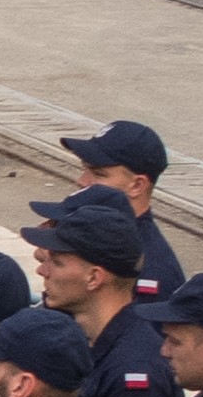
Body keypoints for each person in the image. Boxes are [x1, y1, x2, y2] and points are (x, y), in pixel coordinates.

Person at [22, 190, 177, 397]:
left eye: (57, 262)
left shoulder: (134, 372)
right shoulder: (91, 345)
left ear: (94, 277)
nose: (42, 269)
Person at [64, 121, 187, 302]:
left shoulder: (152, 269)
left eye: (99, 174)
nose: (82, 181)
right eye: (84, 168)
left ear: (137, 185)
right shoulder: (96, 233)